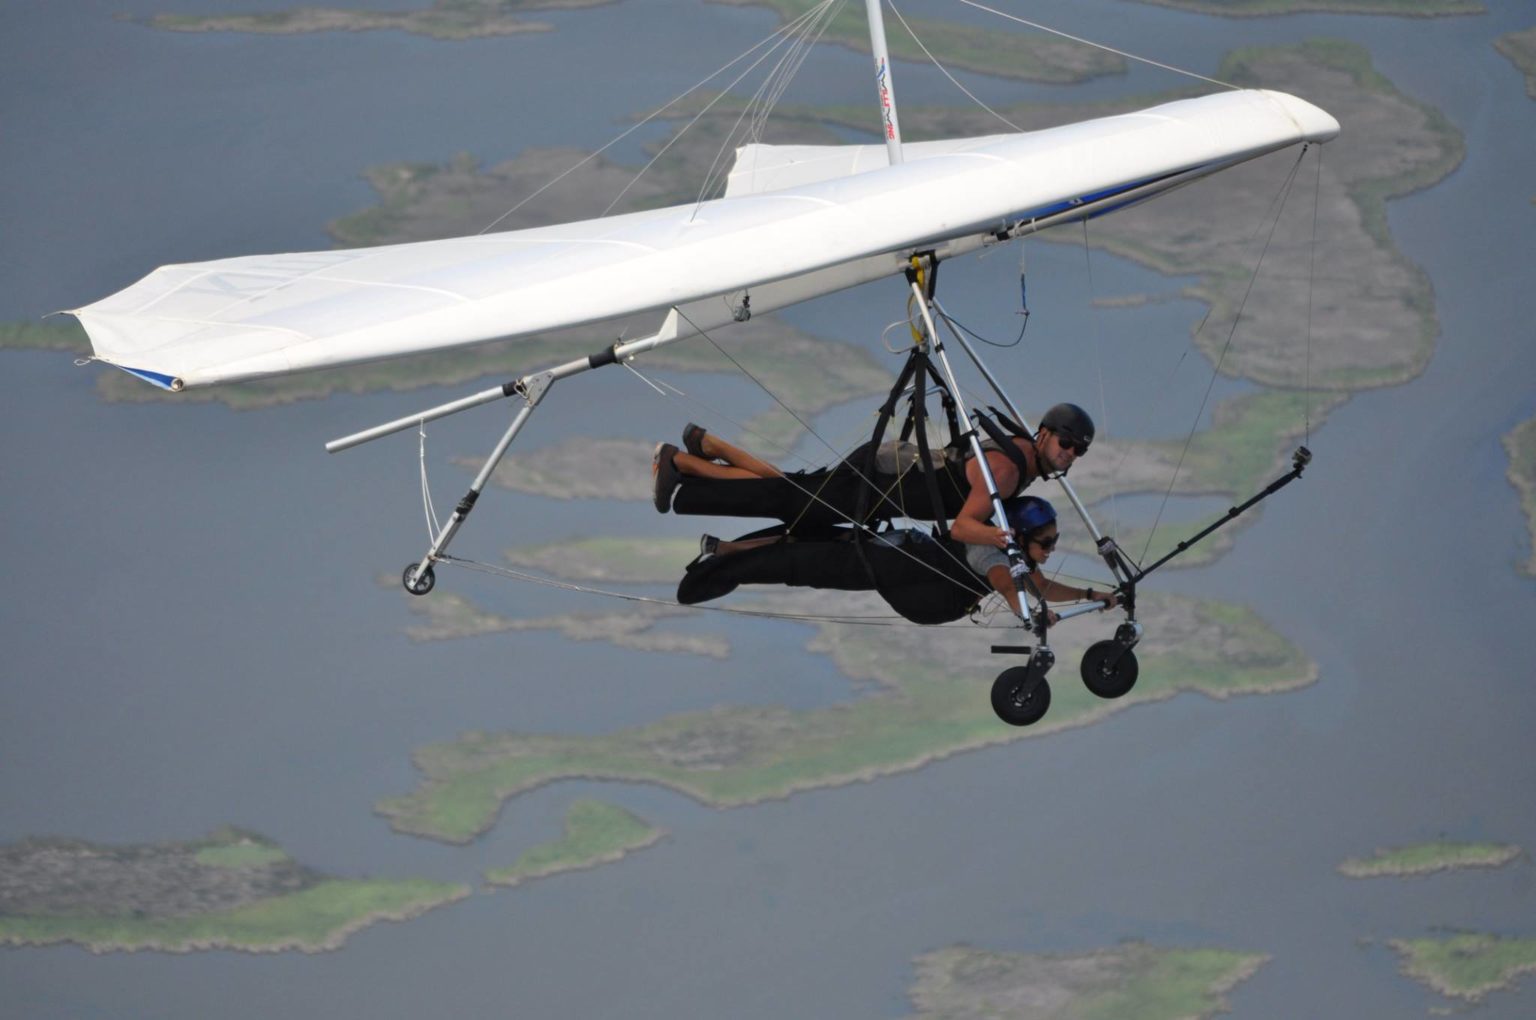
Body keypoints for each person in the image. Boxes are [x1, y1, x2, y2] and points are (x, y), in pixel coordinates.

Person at [652, 404, 1097, 542]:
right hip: (882, 477)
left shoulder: (1021, 460)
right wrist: (1007, 540)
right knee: (785, 498)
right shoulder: (1006, 469)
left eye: (1078, 450)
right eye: (1066, 443)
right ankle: (681, 461)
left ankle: (706, 446)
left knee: (790, 489)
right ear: (1044, 434)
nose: (1070, 454)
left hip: (887, 478)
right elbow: (963, 527)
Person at [676, 495, 1117, 626]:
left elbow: (1035, 585)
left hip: (884, 555)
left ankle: (726, 551)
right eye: (1047, 541)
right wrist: (1036, 614)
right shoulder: (990, 553)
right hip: (879, 561)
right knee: (795, 561)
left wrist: (1091, 595)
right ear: (1019, 534)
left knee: (804, 544)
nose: (1051, 549)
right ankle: (726, 561)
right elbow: (1008, 586)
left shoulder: (1011, 557)